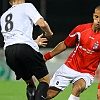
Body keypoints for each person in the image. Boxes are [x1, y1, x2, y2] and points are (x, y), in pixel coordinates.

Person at [43, 5, 100, 100]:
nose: (98, 20)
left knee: (77, 88)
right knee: (49, 94)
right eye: (97, 17)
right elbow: (65, 44)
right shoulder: (80, 30)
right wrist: (47, 57)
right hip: (69, 67)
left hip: (87, 73)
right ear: (93, 16)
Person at [0, 0, 53, 100]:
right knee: (44, 80)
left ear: (10, 3)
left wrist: (34, 42)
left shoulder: (4, 16)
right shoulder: (26, 6)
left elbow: (15, 38)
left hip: (9, 52)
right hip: (25, 48)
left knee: (30, 82)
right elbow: (42, 24)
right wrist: (49, 33)